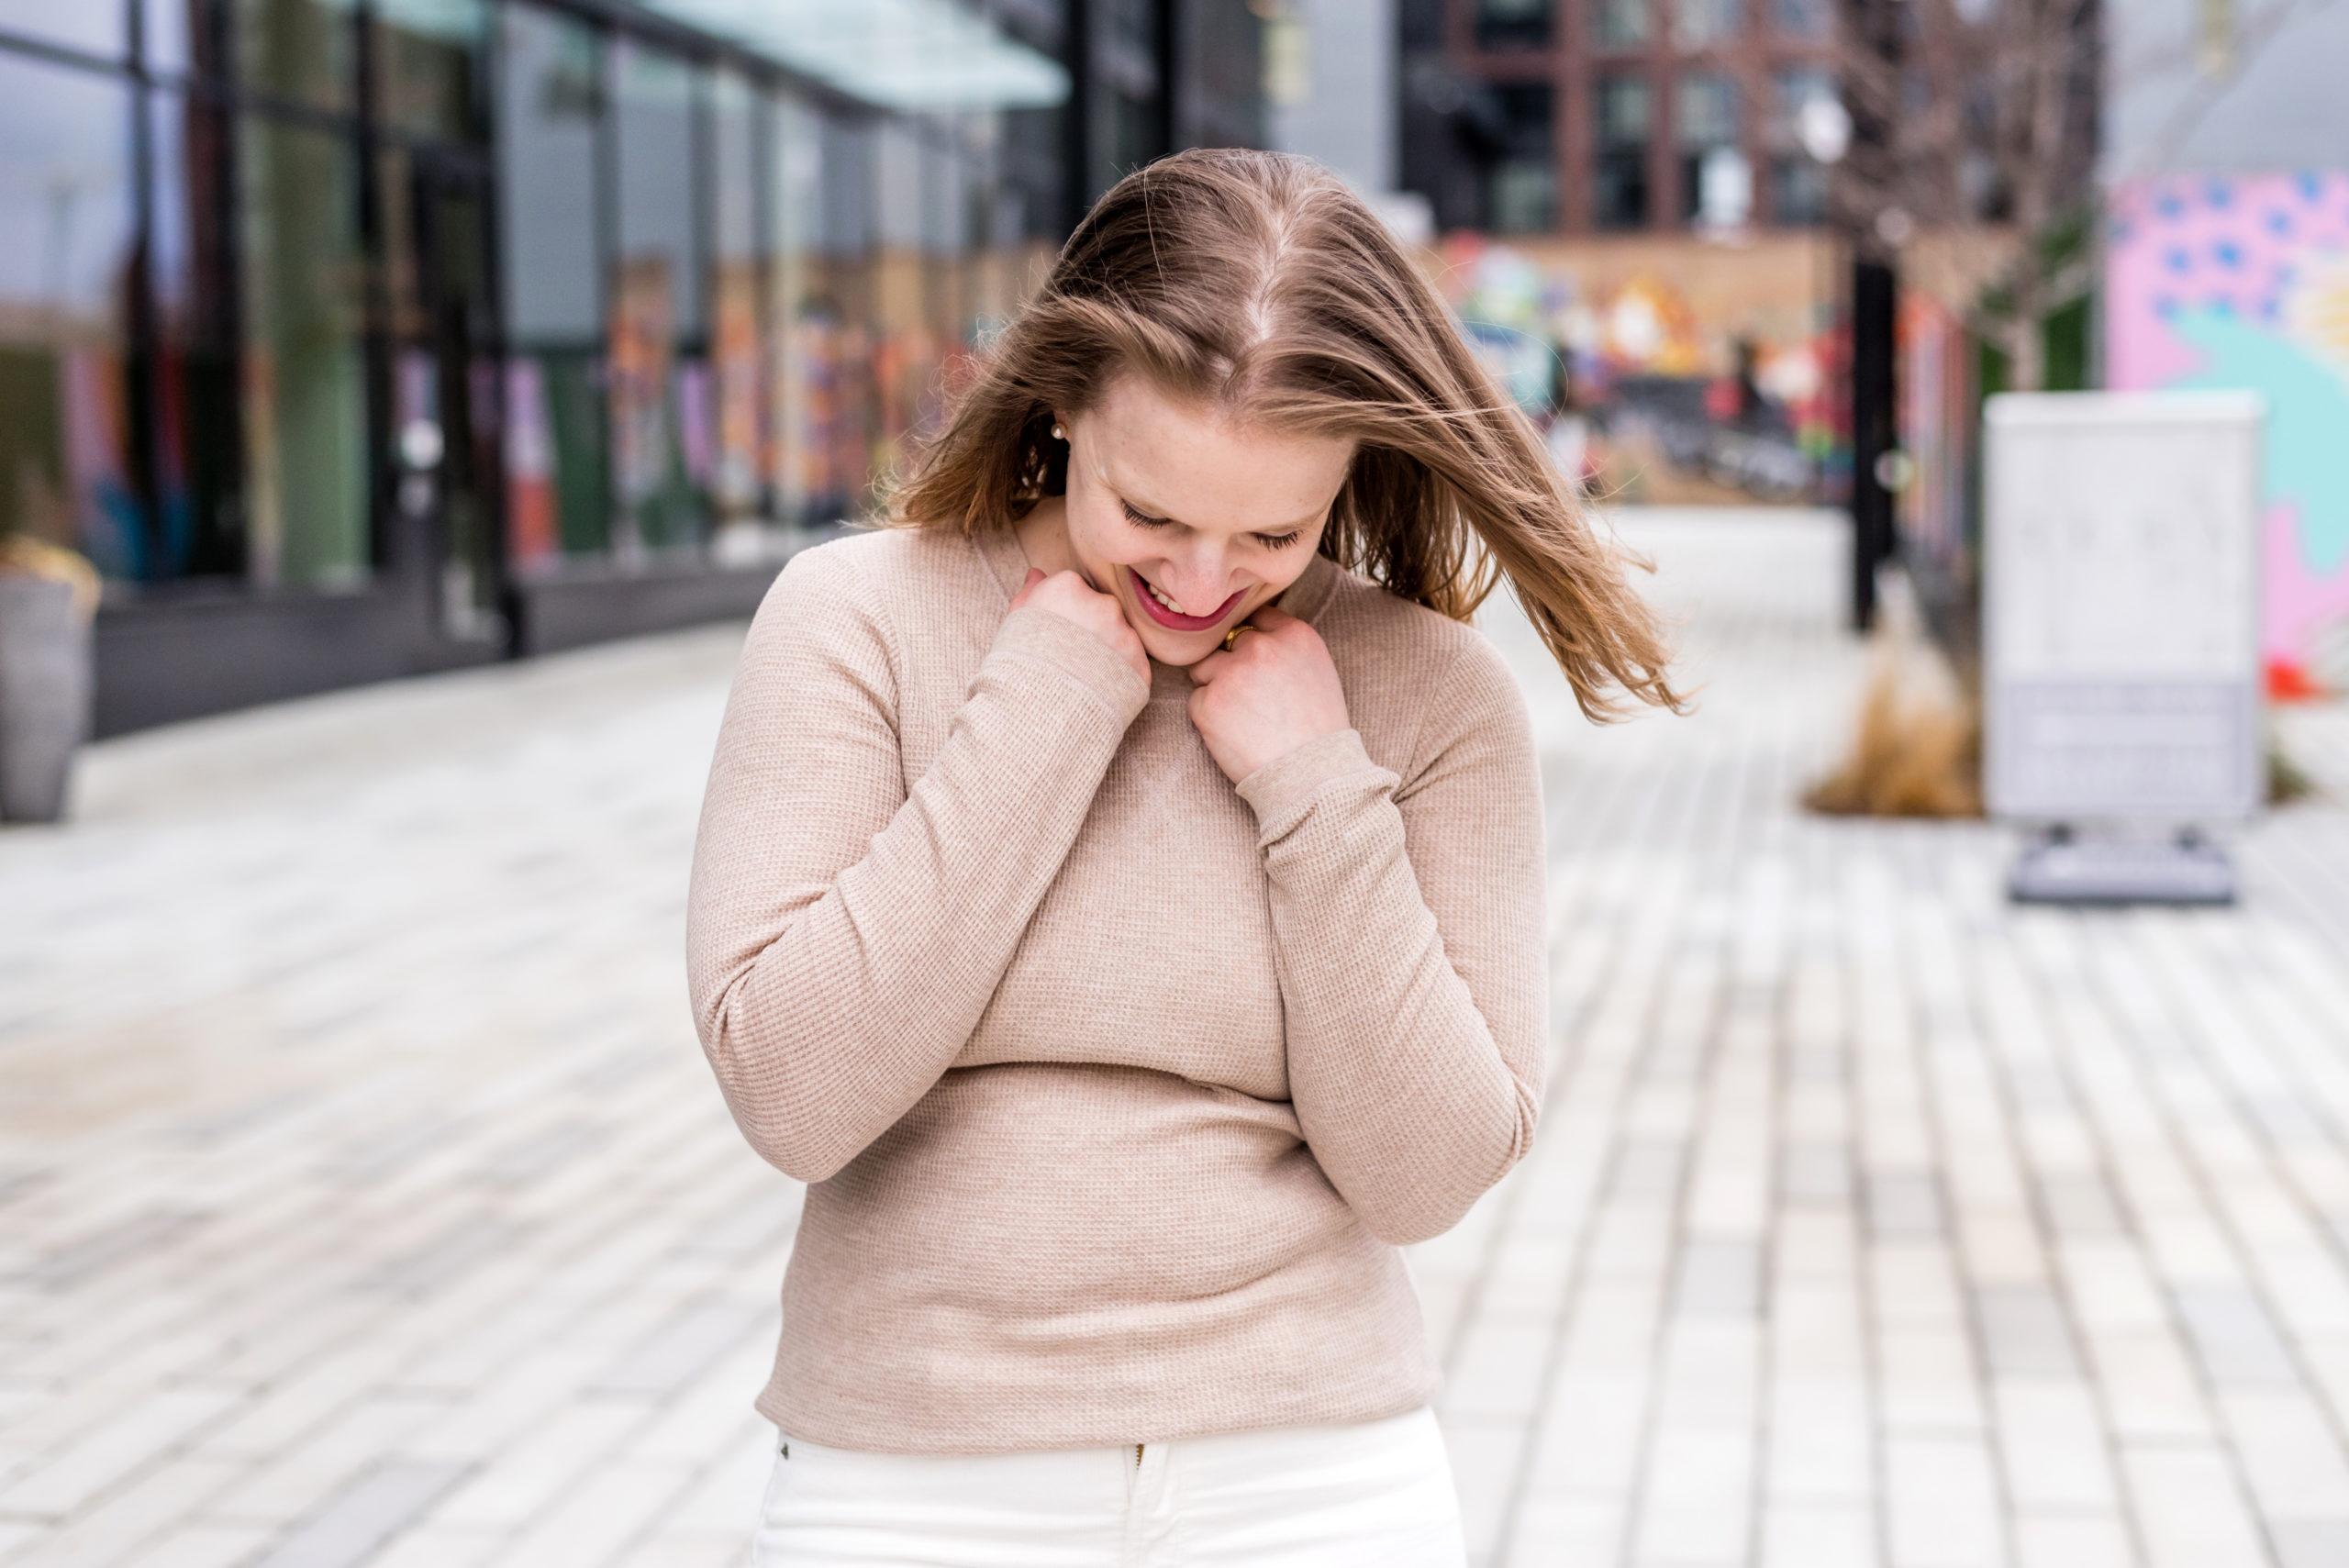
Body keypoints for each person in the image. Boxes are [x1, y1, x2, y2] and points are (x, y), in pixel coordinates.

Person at [686, 149, 1681, 1567]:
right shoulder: (857, 620)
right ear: (1059, 406)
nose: (1203, 582)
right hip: (909, 1484)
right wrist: (1040, 710)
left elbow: (1427, 1175)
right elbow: (793, 1089)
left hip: (1318, 1485)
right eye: (1150, 514)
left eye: (1273, 531)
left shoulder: (1429, 694)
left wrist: (1314, 788)